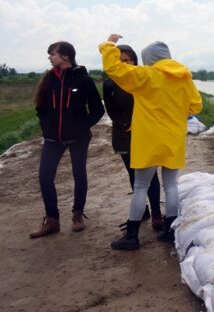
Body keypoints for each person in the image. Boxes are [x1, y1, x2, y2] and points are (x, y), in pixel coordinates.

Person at [99, 34, 202, 250]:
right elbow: (195, 107)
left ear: (149, 59)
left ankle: (132, 236)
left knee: (140, 186)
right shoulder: (184, 78)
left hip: (148, 139)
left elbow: (114, 68)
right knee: (171, 184)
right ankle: (170, 231)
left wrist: (109, 45)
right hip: (173, 139)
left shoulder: (145, 76)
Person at [30, 41, 105, 238]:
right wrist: (47, 127)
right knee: (45, 177)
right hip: (53, 138)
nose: (49, 57)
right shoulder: (49, 80)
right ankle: (52, 220)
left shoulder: (84, 80)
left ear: (65, 56)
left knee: (79, 174)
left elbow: (98, 110)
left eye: (52, 53)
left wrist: (81, 126)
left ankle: (77, 214)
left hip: (79, 138)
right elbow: (40, 108)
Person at [103, 45, 164, 231]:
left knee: (150, 176)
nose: (124, 64)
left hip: (145, 133)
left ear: (134, 62)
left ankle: (156, 213)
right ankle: (142, 210)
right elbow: (111, 110)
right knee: (133, 176)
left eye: (127, 60)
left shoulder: (142, 79)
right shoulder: (110, 83)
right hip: (124, 135)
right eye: (120, 61)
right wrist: (124, 125)